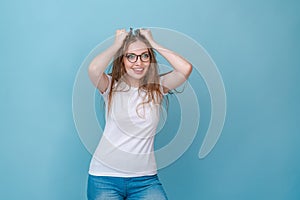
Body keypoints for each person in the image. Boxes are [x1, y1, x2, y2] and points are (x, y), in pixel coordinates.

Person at [87, 28, 192, 200]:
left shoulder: (157, 87)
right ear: (122, 60)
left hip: (145, 180)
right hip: (105, 179)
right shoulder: (110, 86)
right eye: (131, 56)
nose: (139, 62)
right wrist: (117, 45)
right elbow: (93, 69)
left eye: (145, 55)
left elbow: (185, 68)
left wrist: (153, 44)